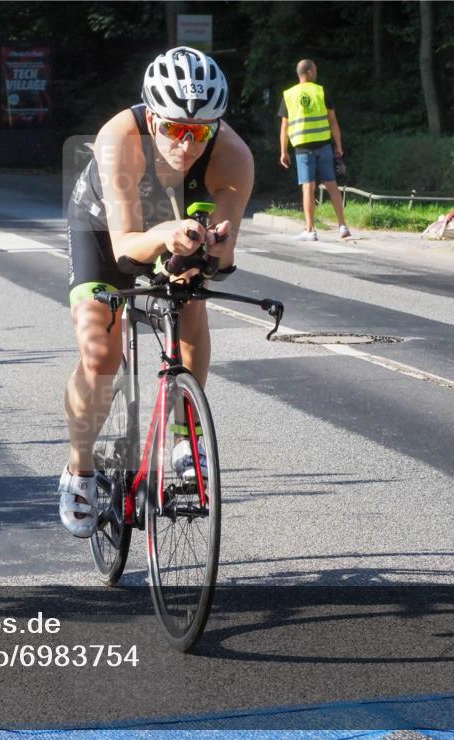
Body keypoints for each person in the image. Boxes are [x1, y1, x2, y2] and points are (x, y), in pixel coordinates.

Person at [59, 46, 254, 537]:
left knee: (192, 309)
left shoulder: (234, 156)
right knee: (99, 350)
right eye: (172, 128)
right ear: (151, 115)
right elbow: (126, 248)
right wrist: (167, 234)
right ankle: (79, 468)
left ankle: (184, 436)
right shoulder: (119, 137)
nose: (185, 144)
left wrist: (216, 247)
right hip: (105, 230)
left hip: (175, 227)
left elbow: (225, 260)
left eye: (199, 132)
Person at [278, 59, 350, 241]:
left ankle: (310, 230)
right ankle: (343, 226)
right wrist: (339, 146)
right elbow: (333, 120)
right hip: (324, 144)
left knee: (308, 187)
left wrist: (283, 151)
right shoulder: (321, 91)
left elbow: (284, 127)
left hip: (302, 147)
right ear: (309, 72)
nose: (316, 72)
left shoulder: (289, 95)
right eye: (315, 70)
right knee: (332, 184)